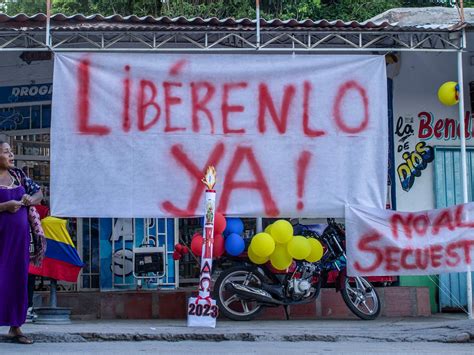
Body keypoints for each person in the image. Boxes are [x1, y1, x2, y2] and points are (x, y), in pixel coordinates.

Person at [0, 141, 43, 344]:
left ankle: (15, 327)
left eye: (11, 152)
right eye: (7, 152)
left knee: (17, 279)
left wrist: (29, 199)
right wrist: (5, 206)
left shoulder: (18, 175)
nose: (11, 155)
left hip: (18, 241)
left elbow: (39, 194)